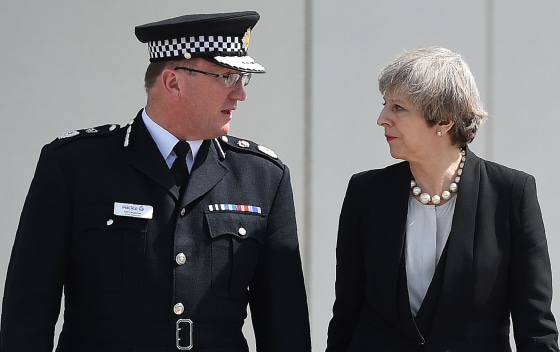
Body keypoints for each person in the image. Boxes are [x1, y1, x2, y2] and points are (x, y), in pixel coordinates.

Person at [0, 11, 311, 352]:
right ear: (172, 82)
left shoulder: (263, 177)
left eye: (242, 79)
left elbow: (286, 325)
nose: (240, 94)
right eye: (226, 77)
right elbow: (27, 310)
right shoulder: (74, 165)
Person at [325, 45, 558, 351]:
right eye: (385, 104)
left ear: (443, 121)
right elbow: (346, 317)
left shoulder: (512, 193)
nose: (382, 118)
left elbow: (535, 328)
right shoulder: (365, 193)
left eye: (398, 108)